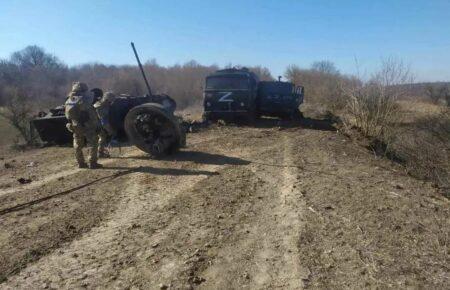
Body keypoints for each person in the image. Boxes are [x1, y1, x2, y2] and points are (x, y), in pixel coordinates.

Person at [65, 82, 102, 169]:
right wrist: (97, 125)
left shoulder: (70, 100)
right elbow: (91, 113)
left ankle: (80, 163)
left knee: (78, 144)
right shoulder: (85, 98)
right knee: (93, 142)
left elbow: (68, 114)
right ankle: (92, 163)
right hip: (87, 124)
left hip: (75, 124)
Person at [94, 91, 116, 158]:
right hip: (98, 124)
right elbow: (104, 122)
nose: (110, 103)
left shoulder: (102, 104)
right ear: (106, 100)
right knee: (102, 137)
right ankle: (100, 153)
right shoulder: (100, 107)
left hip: (99, 123)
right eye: (109, 101)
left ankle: (100, 152)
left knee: (102, 137)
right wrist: (110, 131)